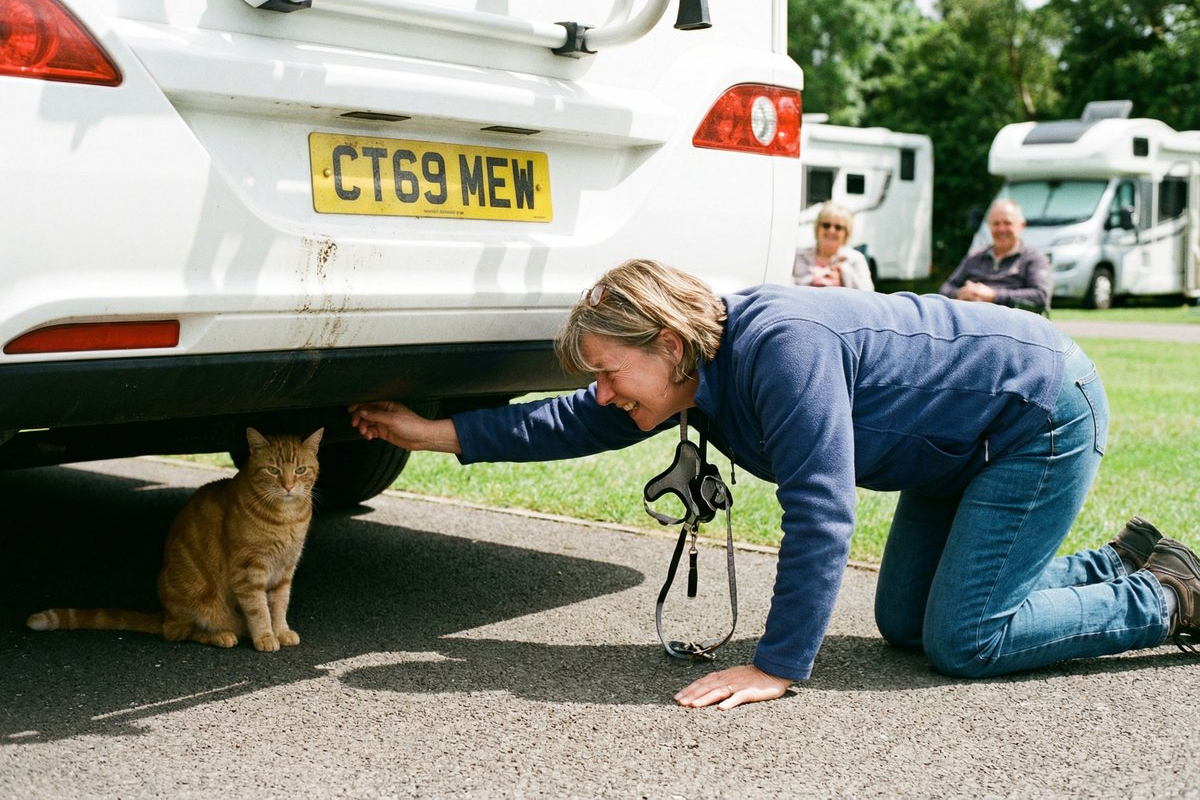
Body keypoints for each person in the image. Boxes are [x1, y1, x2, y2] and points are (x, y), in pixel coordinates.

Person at [349, 258, 1199, 710]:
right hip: (952, 445)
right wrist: (434, 433)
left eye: (611, 371)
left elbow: (822, 515)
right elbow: (570, 420)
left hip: (1036, 414)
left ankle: (1168, 594)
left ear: (668, 345)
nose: (603, 391)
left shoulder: (779, 350)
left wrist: (778, 664)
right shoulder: (690, 372)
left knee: (964, 641)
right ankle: (1102, 565)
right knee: (905, 620)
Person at [939, 198, 1052, 313]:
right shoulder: (975, 257)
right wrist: (962, 294)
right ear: (989, 227)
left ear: (1021, 226)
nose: (1001, 229)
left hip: (1012, 324)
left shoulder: (1033, 258)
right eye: (996, 224)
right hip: (971, 320)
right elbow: (945, 289)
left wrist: (994, 295)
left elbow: (1040, 296)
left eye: (1007, 223)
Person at [793, 202, 874, 291]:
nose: (831, 230)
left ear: (846, 234)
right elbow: (794, 286)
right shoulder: (800, 255)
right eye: (826, 225)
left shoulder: (856, 259)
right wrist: (824, 276)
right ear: (817, 229)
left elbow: (867, 292)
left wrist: (844, 270)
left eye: (838, 227)